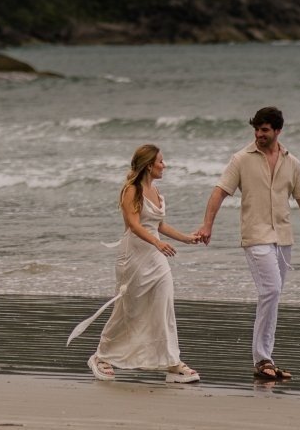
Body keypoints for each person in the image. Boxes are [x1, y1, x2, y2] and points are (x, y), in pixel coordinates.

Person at [197, 107, 300, 380]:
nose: (259, 134)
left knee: (273, 295)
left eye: (265, 130)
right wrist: (207, 225)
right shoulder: (241, 159)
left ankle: (266, 358)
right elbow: (219, 192)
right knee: (271, 290)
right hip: (255, 236)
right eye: (256, 129)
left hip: (283, 238)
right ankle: (262, 358)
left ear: (278, 131)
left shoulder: (292, 162)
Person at [68, 144, 201, 383]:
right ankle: (101, 356)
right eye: (161, 161)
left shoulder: (156, 191)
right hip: (134, 257)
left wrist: (186, 238)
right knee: (129, 309)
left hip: (156, 257)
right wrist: (157, 243)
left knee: (164, 306)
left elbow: (159, 225)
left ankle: (173, 363)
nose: (164, 165)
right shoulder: (131, 190)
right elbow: (134, 225)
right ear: (149, 165)